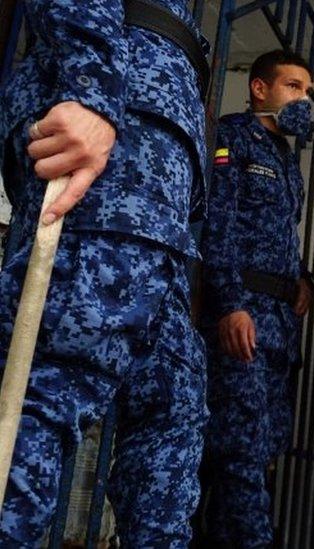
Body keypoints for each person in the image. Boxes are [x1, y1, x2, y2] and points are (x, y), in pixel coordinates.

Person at [0, 0, 209, 545]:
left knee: (174, 402)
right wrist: (87, 88)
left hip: (151, 161)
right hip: (118, 132)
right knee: (49, 381)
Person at [194, 50, 314, 548]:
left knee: (258, 454)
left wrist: (302, 278)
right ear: (259, 89)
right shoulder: (233, 139)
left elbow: (278, 235)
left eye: (308, 91)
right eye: (292, 86)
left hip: (278, 326)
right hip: (242, 315)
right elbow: (216, 224)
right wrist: (230, 303)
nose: (303, 99)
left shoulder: (289, 161)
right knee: (239, 454)